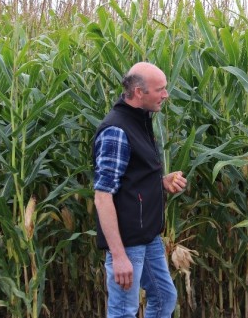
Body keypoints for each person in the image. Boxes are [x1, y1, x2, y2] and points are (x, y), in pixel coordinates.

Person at [93, 62, 187, 318]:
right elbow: (103, 196)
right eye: (160, 89)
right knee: (124, 311)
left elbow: (132, 178)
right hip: (128, 241)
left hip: (148, 235)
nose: (166, 94)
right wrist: (118, 255)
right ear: (138, 92)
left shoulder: (139, 121)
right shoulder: (116, 130)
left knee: (164, 297)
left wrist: (161, 182)